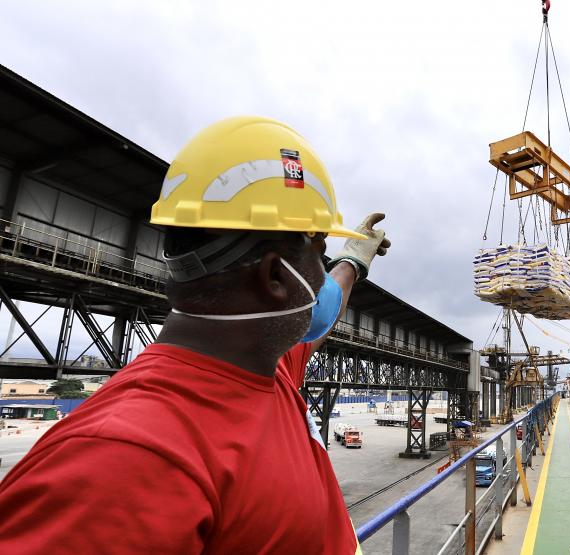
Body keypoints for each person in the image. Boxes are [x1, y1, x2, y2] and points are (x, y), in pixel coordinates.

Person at [0, 116, 390, 554]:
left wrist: (353, 261)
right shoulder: (126, 459)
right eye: (319, 255)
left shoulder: (264, 366)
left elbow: (322, 314)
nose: (322, 275)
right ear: (275, 278)